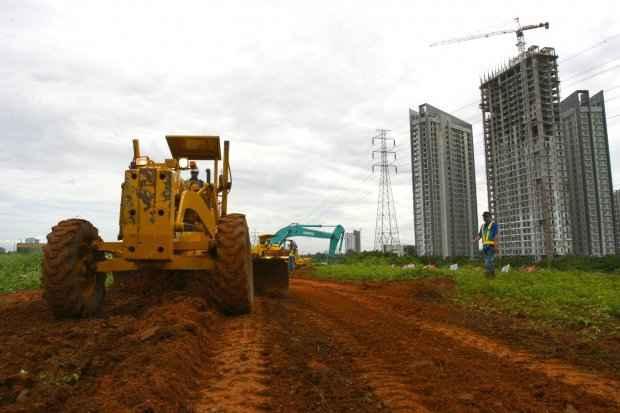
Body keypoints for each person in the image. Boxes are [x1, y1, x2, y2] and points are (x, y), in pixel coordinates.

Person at [474, 211, 499, 278]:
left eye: (486, 217)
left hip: (491, 247)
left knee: (488, 261)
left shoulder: (494, 225)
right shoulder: (482, 226)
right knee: (488, 261)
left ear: (490, 217)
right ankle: (492, 275)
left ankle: (487, 276)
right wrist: (475, 240)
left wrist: (496, 246)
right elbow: (480, 235)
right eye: (484, 217)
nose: (485, 218)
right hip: (485, 247)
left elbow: (496, 236)